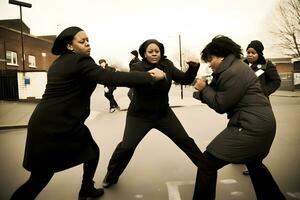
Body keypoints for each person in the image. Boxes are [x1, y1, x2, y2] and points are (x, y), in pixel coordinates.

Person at [10, 26, 165, 200]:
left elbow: (104, 75)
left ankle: (86, 189)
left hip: (61, 122)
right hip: (53, 127)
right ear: (70, 46)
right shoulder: (80, 61)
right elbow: (111, 78)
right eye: (82, 41)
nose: (88, 44)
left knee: (92, 152)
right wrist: (149, 77)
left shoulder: (58, 63)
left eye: (88, 41)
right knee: (39, 179)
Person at [192, 35, 285, 200]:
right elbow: (217, 90)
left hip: (250, 128)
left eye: (210, 59)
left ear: (221, 56)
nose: (209, 63)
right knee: (255, 164)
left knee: (206, 163)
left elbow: (221, 104)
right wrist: (201, 91)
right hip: (259, 125)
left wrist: (203, 90)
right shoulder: (233, 67)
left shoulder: (234, 71)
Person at [102, 39, 203, 188]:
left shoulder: (167, 65)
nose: (154, 53)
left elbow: (185, 79)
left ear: (161, 52)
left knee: (185, 140)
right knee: (126, 147)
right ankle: (111, 176)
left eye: (157, 51)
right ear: (144, 53)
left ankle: (206, 166)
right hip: (139, 116)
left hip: (163, 114)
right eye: (150, 51)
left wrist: (193, 68)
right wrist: (157, 78)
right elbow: (143, 85)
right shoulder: (137, 67)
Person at [242, 40, 281, 175]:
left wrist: (264, 92)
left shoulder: (266, 65)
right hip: (243, 105)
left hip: (260, 105)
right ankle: (241, 156)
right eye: (248, 52)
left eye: (253, 52)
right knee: (241, 131)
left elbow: (276, 81)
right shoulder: (242, 65)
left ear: (259, 53)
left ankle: (253, 163)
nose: (250, 55)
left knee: (254, 134)